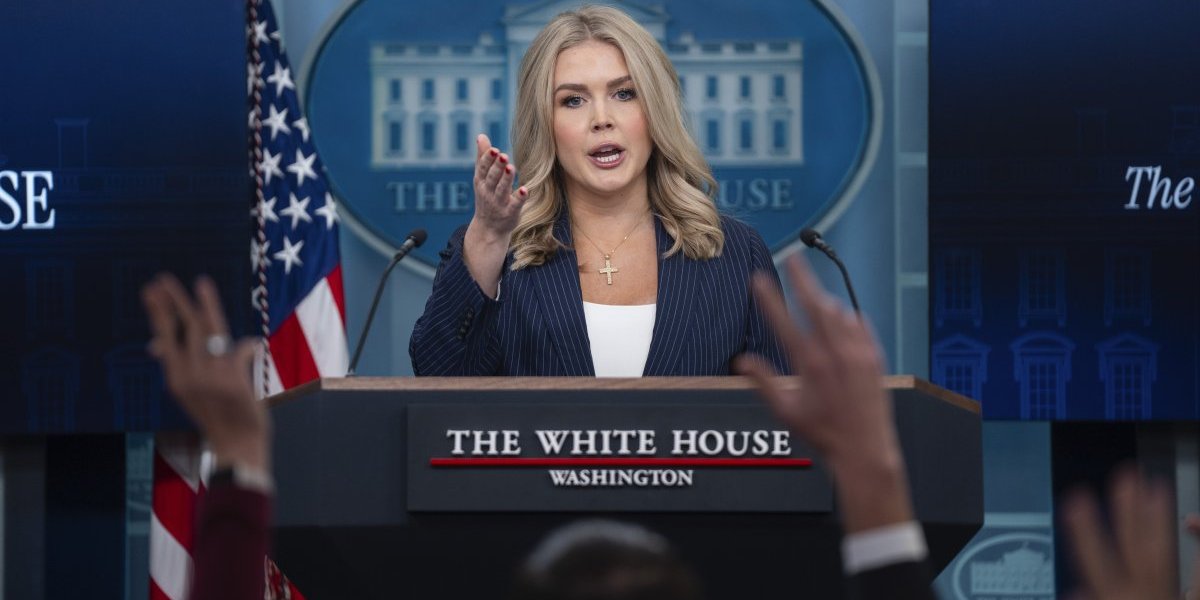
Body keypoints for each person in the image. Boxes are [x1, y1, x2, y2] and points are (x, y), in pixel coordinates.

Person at [409, 5, 786, 377]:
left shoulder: (739, 253)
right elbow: (437, 377)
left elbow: (780, 406)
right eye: (573, 100)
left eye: (624, 93)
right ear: (545, 124)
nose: (601, 119)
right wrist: (489, 239)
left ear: (655, 111)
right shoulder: (497, 251)